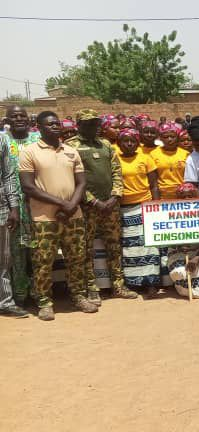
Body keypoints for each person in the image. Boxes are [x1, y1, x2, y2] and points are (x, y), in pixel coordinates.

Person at [19, 111, 97, 320]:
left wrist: (71, 205)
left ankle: (78, 296)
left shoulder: (71, 151)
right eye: (50, 124)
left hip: (74, 215)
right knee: (43, 260)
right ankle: (44, 302)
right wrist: (63, 203)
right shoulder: (29, 152)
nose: (55, 126)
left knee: (76, 258)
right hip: (44, 219)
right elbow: (28, 187)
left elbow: (81, 183)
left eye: (57, 123)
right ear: (39, 127)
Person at [66, 109, 138, 302]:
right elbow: (72, 179)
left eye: (96, 123)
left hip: (111, 206)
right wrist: (94, 201)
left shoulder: (106, 145)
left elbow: (116, 171)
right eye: (88, 124)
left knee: (114, 246)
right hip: (87, 207)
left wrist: (115, 196)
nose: (94, 127)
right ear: (79, 125)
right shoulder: (70, 146)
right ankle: (91, 288)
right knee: (86, 248)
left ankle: (118, 286)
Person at [116, 129, 163, 296]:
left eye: (132, 141)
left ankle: (151, 283)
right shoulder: (114, 158)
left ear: (137, 142)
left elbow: (154, 185)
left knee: (148, 246)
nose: (129, 144)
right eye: (125, 141)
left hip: (144, 205)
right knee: (129, 247)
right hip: (123, 208)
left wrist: (155, 206)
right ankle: (133, 283)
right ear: (119, 143)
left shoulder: (146, 158)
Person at [1, 106, 37, 305]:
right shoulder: (2, 140)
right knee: (15, 253)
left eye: (22, 115)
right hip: (11, 206)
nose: (19, 119)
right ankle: (20, 294)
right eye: (13, 116)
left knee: (36, 251)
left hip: (37, 204)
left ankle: (39, 292)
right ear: (7, 120)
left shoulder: (39, 139)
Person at [0, 110, 24, 317]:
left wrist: (14, 207)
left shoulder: (2, 141)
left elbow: (8, 176)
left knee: (3, 259)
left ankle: (6, 303)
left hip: (1, 208)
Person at [151, 123, 190, 200]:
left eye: (172, 137)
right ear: (160, 138)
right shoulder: (153, 154)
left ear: (177, 138)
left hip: (183, 195)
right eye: (166, 137)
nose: (169, 139)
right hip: (163, 196)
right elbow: (153, 182)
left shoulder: (185, 154)